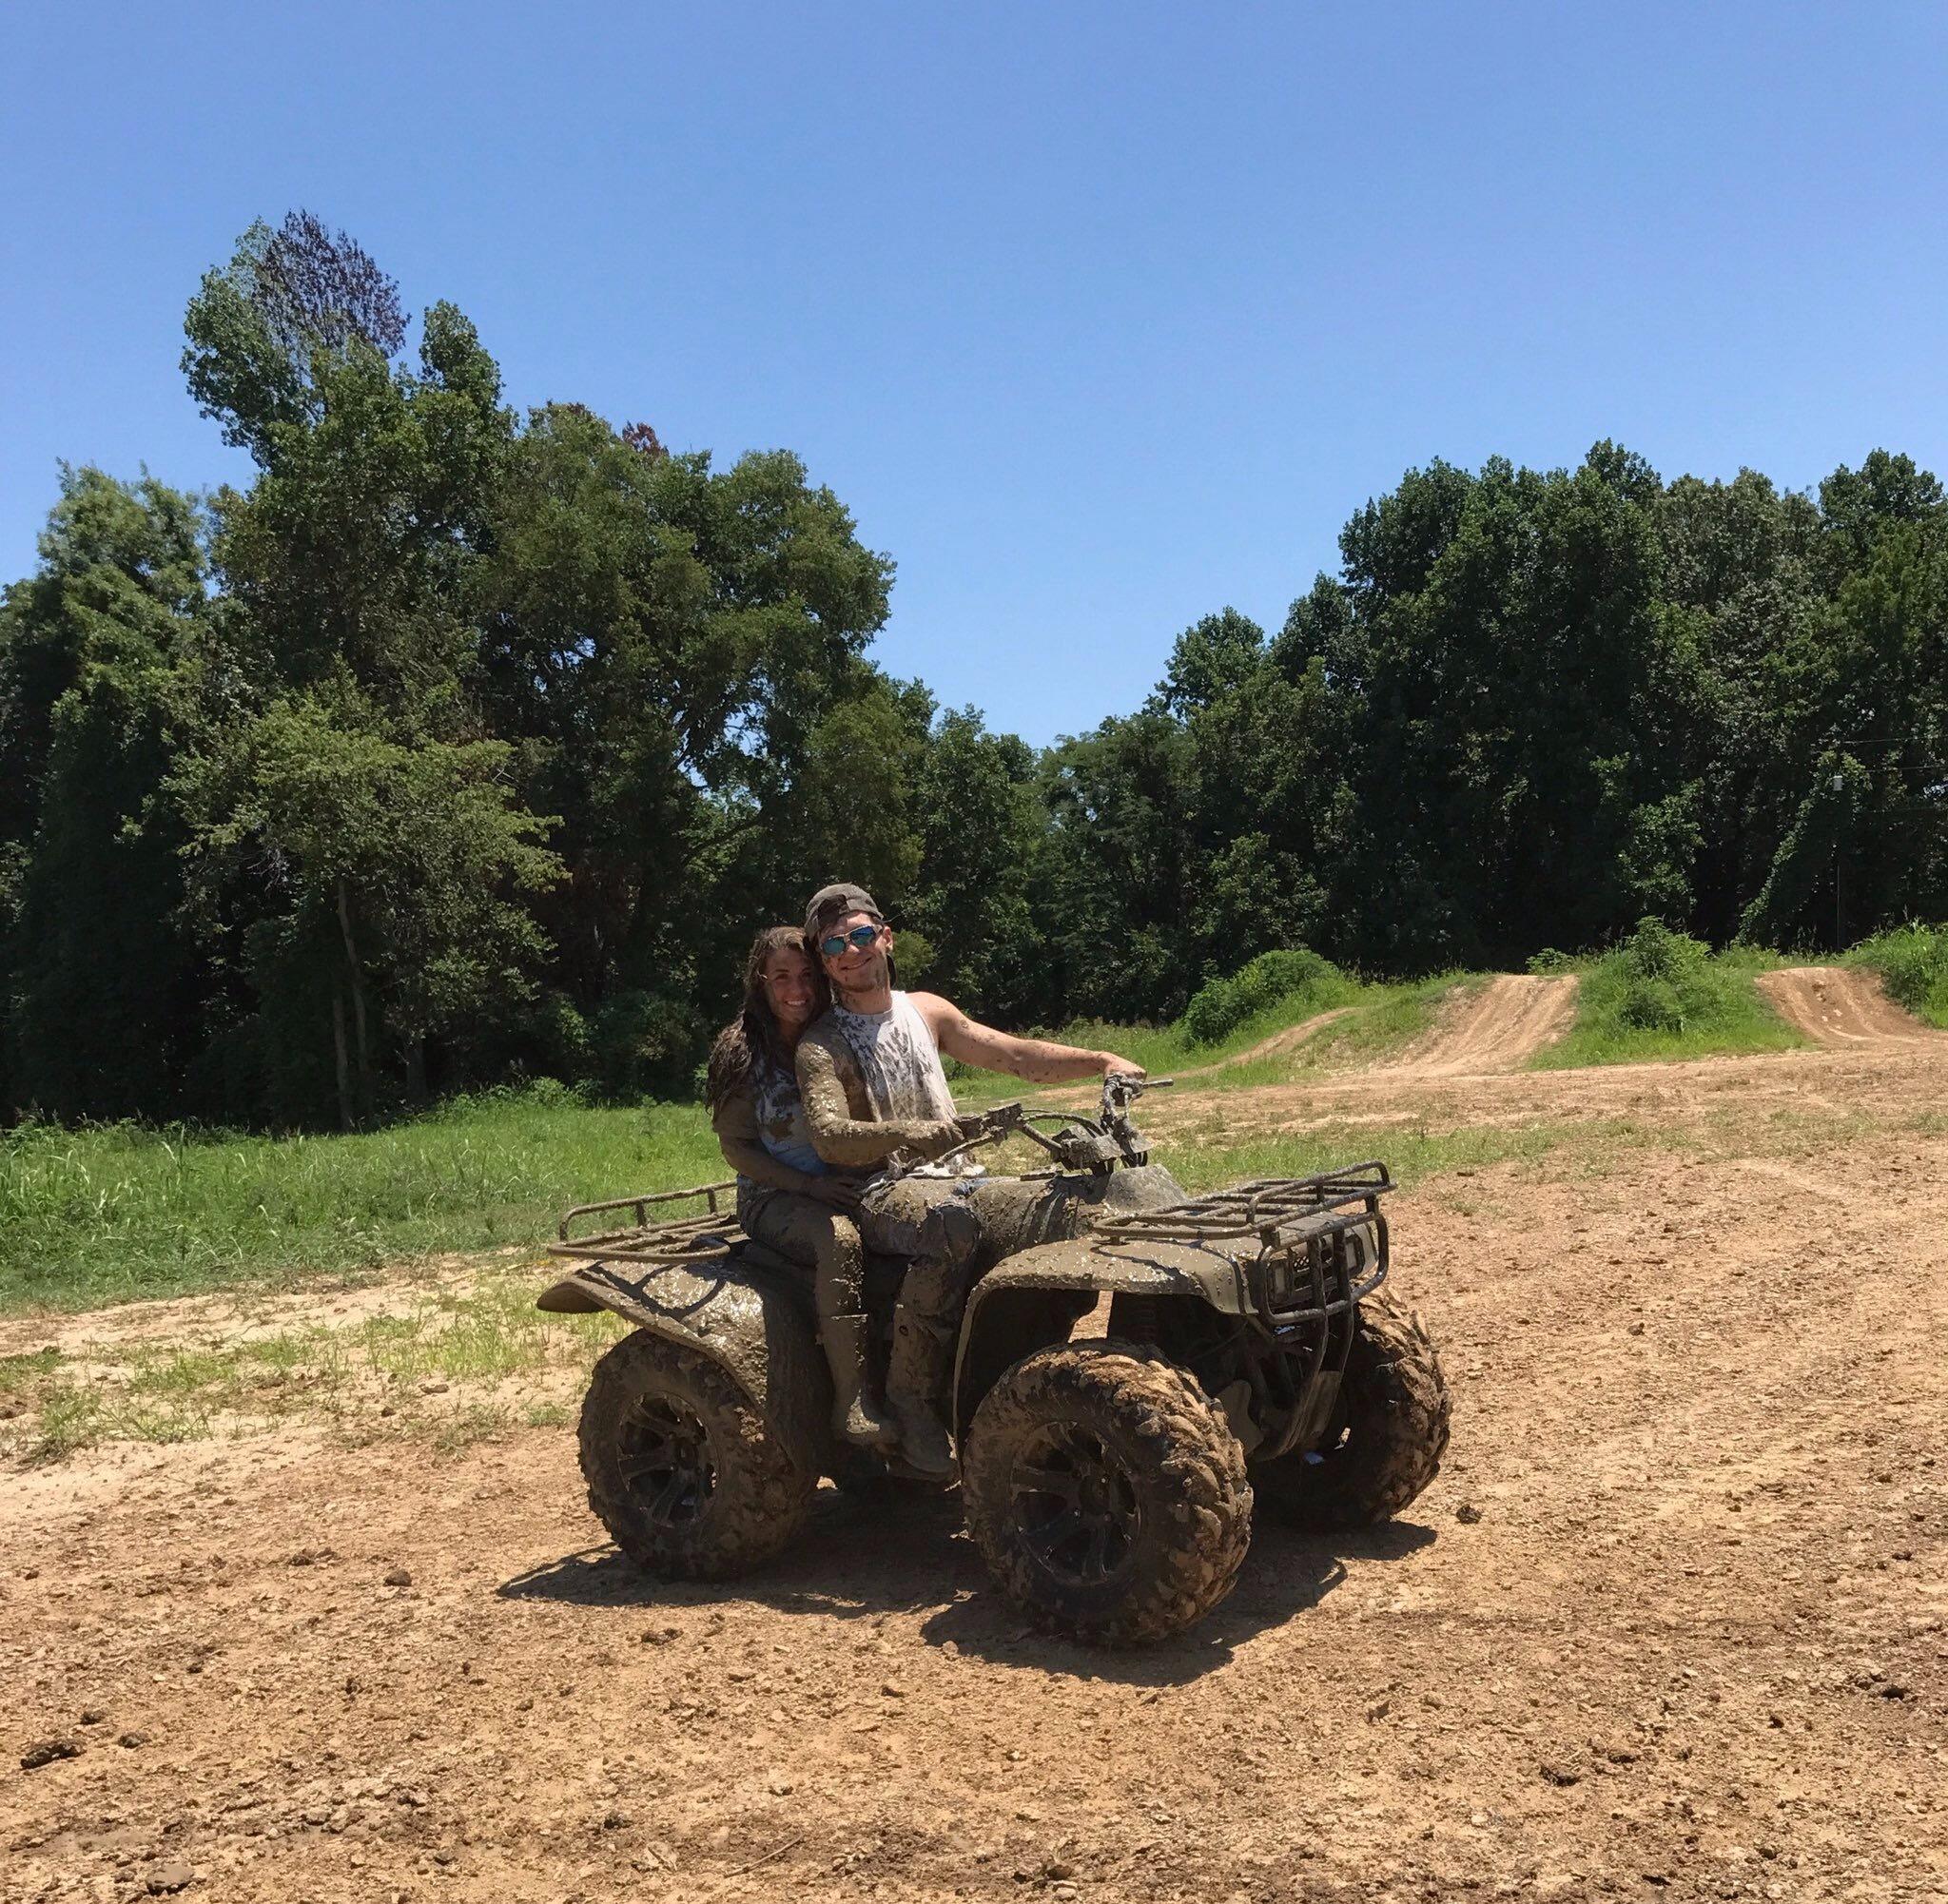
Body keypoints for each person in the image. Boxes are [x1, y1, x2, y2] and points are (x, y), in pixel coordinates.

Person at [793, 882, 1141, 1474]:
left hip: (959, 1174)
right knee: (951, 1224)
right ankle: (911, 1398)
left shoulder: (925, 1011)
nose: (850, 953)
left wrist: (1101, 1061)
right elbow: (829, 1136)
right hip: (884, 1190)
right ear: (823, 959)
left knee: (1068, 1204)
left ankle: (1043, 1364)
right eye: (833, 945)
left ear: (884, 936)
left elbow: (1013, 1054)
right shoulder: (821, 1045)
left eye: (858, 936)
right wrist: (912, 1134)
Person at [705, 924, 890, 1449]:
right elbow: (737, 1149)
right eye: (782, 976)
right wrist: (808, 1187)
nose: (797, 990)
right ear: (760, 981)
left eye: (808, 975)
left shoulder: (838, 1033)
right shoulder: (744, 1051)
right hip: (775, 1197)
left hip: (847, 1179)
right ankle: (853, 1400)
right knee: (840, 1240)